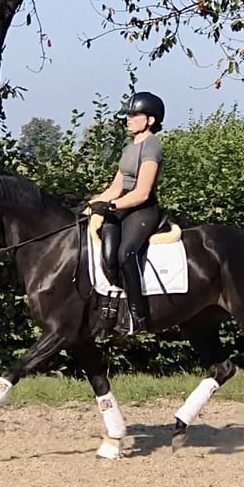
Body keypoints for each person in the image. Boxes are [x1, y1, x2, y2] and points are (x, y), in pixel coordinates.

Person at [88, 91, 165, 334]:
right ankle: (112, 306)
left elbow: (142, 192)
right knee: (107, 251)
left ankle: (138, 314)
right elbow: (116, 187)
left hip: (143, 210)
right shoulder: (130, 147)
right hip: (123, 207)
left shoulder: (152, 146)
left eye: (134, 115)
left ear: (150, 120)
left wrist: (111, 206)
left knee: (125, 253)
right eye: (128, 115)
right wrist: (91, 204)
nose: (128, 119)